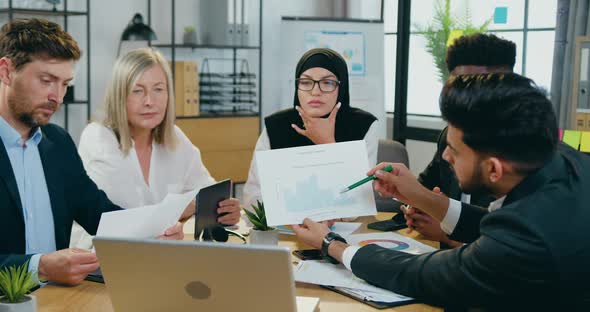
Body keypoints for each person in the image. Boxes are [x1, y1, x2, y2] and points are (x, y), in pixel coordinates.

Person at [293, 73, 590, 309]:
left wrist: (331, 244)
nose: (445, 157)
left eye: (454, 150)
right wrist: (417, 194)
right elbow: (493, 224)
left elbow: (422, 275)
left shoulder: (528, 237)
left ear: (494, 169)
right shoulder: (561, 158)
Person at [0, 19, 183, 286]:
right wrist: (38, 267)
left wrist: (153, 232)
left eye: (64, 84)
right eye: (47, 80)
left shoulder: (57, 143)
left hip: (60, 300)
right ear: (6, 71)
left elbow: (97, 211)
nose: (58, 96)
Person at [70, 48, 242, 249]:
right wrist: (179, 212)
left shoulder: (175, 137)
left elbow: (207, 193)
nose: (149, 101)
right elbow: (121, 217)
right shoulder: (98, 137)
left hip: (158, 257)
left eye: (158, 89)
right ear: (119, 96)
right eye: (137, 90)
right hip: (98, 261)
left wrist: (225, 209)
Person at [407, 33, 516, 248]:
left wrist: (446, 232)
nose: (461, 97)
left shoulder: (519, 156)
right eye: (456, 84)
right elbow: (424, 189)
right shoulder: (450, 137)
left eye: (472, 86)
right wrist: (417, 207)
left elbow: (506, 247)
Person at [243, 48, 379, 208]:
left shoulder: (363, 125)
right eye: (306, 82)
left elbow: (360, 198)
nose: (315, 92)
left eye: (327, 83)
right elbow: (253, 197)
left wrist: (328, 144)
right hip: (287, 227)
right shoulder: (276, 126)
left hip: (345, 228)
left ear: (341, 88)